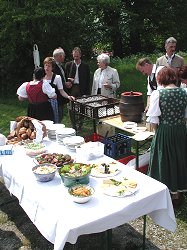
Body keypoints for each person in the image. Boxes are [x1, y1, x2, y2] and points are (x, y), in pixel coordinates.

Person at [146, 66, 187, 207]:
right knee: (179, 159)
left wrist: (156, 135)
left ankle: (168, 193)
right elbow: (185, 116)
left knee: (164, 159)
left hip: (165, 131)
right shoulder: (184, 92)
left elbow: (154, 120)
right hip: (181, 131)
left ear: (160, 79)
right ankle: (178, 194)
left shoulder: (158, 94)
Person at [65, 47, 91, 130]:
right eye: (74, 55)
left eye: (77, 55)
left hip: (81, 87)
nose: (75, 57)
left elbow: (88, 80)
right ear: (72, 55)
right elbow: (65, 77)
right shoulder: (68, 65)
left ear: (80, 55)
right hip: (72, 88)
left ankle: (80, 124)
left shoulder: (85, 66)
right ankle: (73, 125)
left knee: (82, 106)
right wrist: (68, 80)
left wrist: (87, 93)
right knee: (71, 106)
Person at [43, 57, 75, 123]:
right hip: (44, 103)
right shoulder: (42, 77)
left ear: (52, 68)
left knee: (56, 122)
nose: (47, 68)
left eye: (49, 66)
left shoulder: (57, 77)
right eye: (46, 65)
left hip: (55, 104)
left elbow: (61, 91)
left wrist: (68, 96)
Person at [53, 47, 69, 121]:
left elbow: (63, 77)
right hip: (56, 95)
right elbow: (53, 82)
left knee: (61, 113)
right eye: (63, 56)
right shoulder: (52, 67)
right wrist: (64, 84)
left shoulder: (61, 66)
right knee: (58, 114)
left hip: (62, 94)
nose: (64, 58)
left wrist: (68, 80)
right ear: (59, 56)